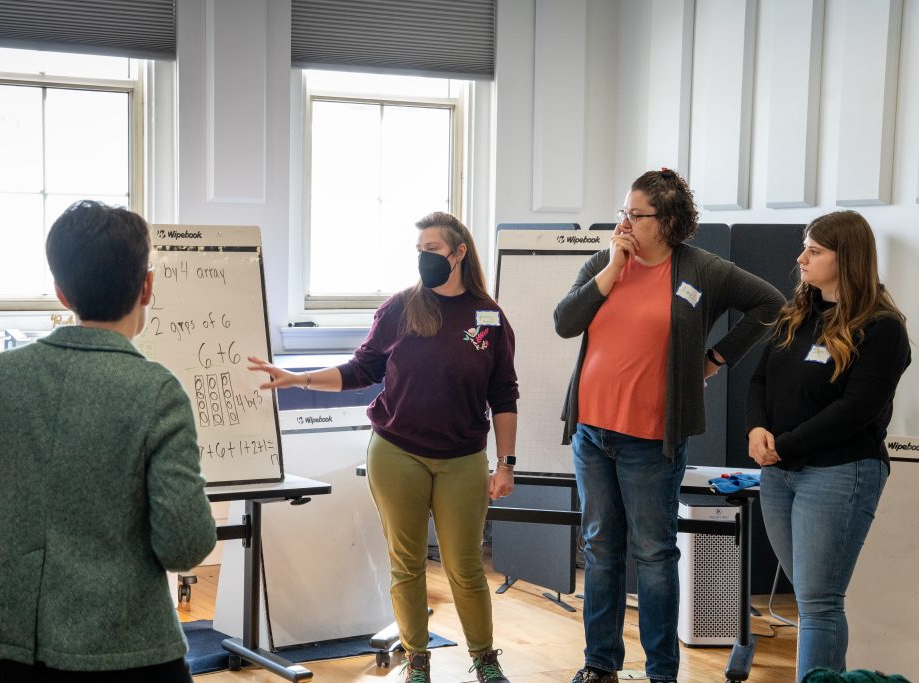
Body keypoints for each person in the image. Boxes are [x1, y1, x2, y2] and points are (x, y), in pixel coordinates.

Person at [0, 200, 217, 682]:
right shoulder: (156, 391)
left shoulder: (0, 375)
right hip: (129, 647)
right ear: (147, 286)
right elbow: (185, 544)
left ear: (62, 292)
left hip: (14, 648)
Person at [247, 211, 518, 683]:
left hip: (463, 458)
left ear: (458, 253)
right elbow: (361, 369)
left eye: (431, 250)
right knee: (407, 563)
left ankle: (485, 660)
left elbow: (504, 395)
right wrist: (300, 379)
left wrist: (506, 463)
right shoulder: (400, 308)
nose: (422, 258)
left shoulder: (488, 316)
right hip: (397, 453)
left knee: (466, 567)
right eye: (417, 251)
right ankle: (417, 659)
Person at [553, 169, 784, 683]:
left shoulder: (701, 270)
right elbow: (565, 322)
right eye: (624, 213)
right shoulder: (603, 260)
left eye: (637, 215)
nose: (625, 223)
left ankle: (661, 673)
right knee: (600, 547)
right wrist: (612, 269)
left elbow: (771, 304)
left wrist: (716, 358)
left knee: (655, 554)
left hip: (651, 439)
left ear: (669, 221)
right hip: (592, 432)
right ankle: (600, 665)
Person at [746, 211, 911, 682]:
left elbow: (856, 410)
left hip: (840, 472)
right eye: (805, 247)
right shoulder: (797, 314)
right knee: (810, 596)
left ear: (848, 257)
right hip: (779, 472)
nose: (800, 258)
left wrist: (785, 446)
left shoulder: (882, 329)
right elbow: (759, 380)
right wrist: (757, 430)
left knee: (818, 602)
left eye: (814, 251)